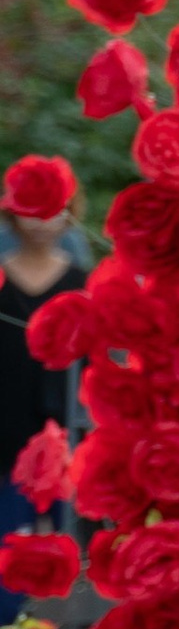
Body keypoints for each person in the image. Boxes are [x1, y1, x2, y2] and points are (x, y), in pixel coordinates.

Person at [0, 192, 91, 537]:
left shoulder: (81, 281)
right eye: (31, 210)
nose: (40, 222)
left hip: (66, 424)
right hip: (6, 427)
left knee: (64, 536)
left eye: (51, 211)